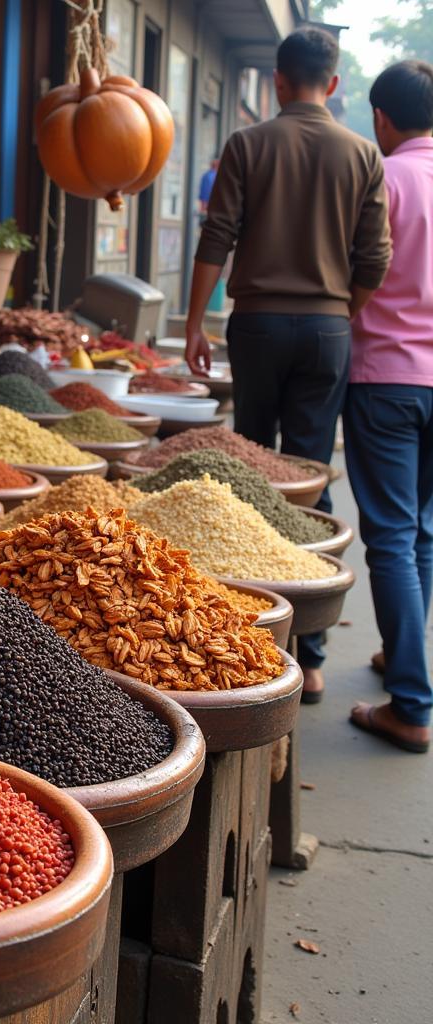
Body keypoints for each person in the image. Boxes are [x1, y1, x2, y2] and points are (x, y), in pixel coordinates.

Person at [185, 27, 391, 704]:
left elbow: (217, 236)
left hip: (259, 325)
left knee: (250, 472)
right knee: (306, 475)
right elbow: (376, 257)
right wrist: (343, 311)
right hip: (327, 327)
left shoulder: (248, 144)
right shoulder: (363, 152)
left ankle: (246, 635)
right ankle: (314, 654)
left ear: (277, 80)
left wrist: (193, 322)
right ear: (333, 84)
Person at [344, 61, 433, 754]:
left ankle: (411, 703)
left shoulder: (388, 179)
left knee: (393, 537)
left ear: (381, 118)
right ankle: (402, 660)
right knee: (424, 532)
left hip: (386, 378)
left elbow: (361, 269)